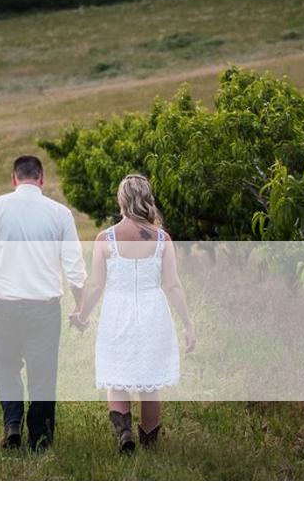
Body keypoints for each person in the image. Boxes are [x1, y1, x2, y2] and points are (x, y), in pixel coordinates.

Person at [0, 155, 87, 451]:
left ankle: (12, 423)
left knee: (5, 364)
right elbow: (75, 270)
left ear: (13, 179)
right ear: (41, 179)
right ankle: (40, 440)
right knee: (43, 373)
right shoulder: (60, 214)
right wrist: (80, 308)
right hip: (45, 308)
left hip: (5, 307)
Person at [69, 174, 195, 453]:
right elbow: (172, 285)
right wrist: (187, 324)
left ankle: (124, 433)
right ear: (148, 200)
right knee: (149, 384)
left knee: (117, 377)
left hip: (118, 313)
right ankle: (150, 444)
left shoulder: (106, 238)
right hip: (153, 314)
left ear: (121, 200)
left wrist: (81, 314)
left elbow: (96, 286)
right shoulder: (162, 239)